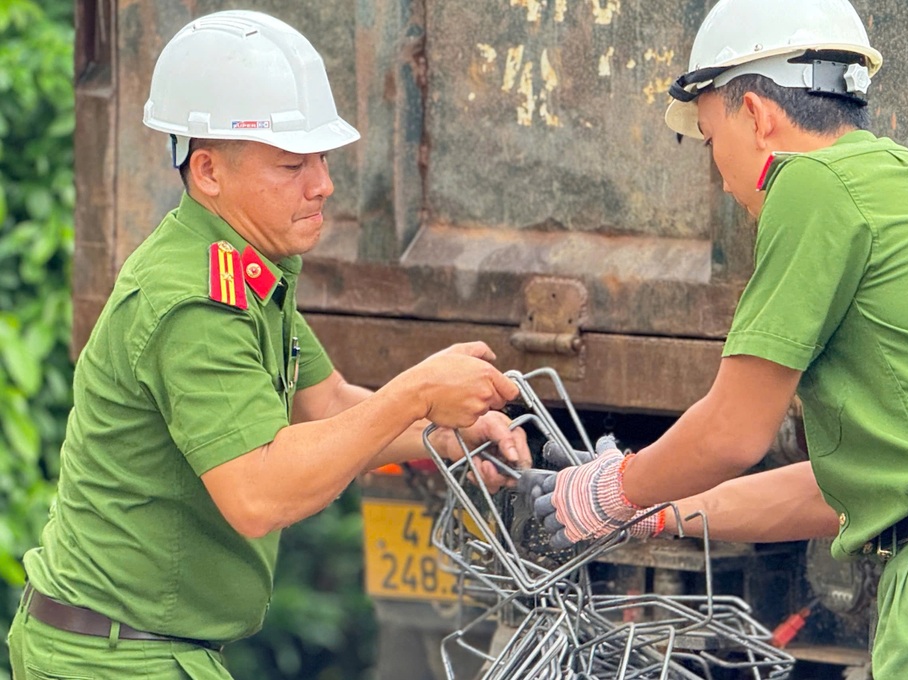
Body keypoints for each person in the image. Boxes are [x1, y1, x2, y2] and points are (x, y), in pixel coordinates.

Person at [7, 10, 526, 679]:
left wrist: (448, 436)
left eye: (321, 158)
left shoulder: (241, 266)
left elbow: (330, 403)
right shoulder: (194, 297)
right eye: (291, 164)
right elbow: (258, 495)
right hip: (113, 659)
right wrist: (418, 393)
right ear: (209, 171)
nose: (323, 185)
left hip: (141, 648)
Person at [521, 0, 908, 678]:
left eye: (708, 138)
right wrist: (657, 512)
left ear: (755, 114)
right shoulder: (894, 179)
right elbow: (834, 491)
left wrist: (611, 490)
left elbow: (733, 433)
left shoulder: (810, 183)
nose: (720, 176)